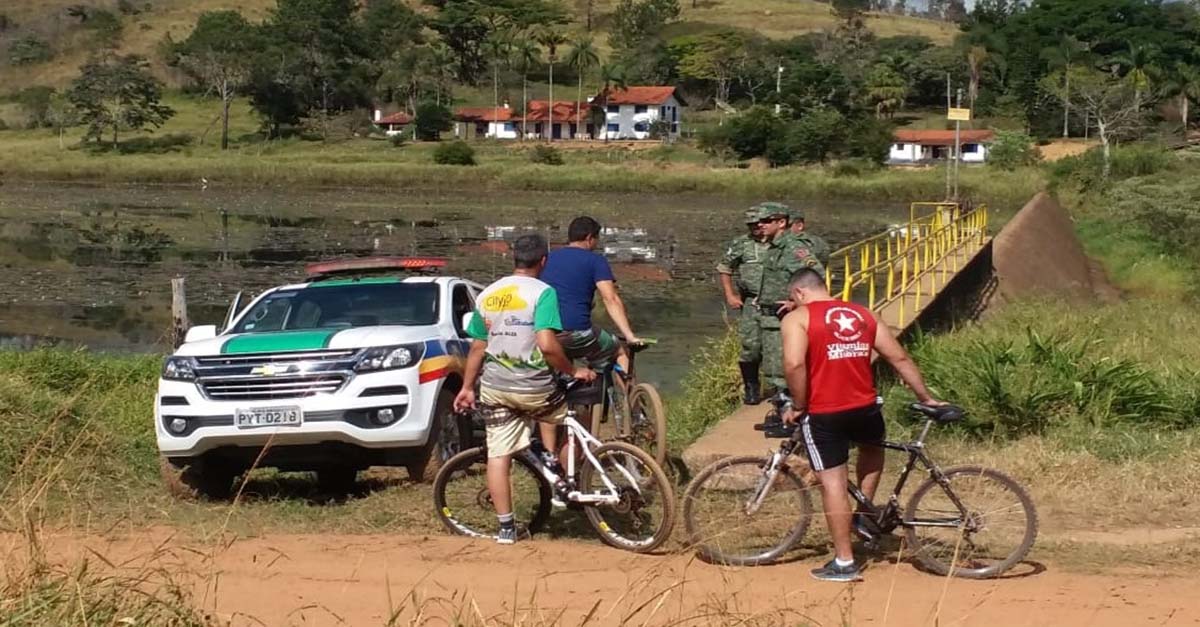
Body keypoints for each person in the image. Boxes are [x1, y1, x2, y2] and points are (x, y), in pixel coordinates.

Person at [780, 268, 944, 582]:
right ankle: (864, 515)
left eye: (793, 299)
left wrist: (799, 406)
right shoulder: (862, 313)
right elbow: (899, 358)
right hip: (866, 407)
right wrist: (926, 397)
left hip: (826, 412)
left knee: (833, 484)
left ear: (799, 293)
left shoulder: (797, 319)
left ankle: (844, 562)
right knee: (871, 450)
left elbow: (794, 363)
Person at [453, 233, 596, 545]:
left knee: (499, 454)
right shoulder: (543, 292)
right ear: (543, 261)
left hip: (496, 388)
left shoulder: (488, 294)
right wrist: (574, 370)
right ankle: (565, 479)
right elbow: (547, 345)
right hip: (535, 388)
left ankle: (506, 528)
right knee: (573, 418)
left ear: (512, 258)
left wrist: (466, 387)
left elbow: (478, 347)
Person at [540, 216, 643, 376]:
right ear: (589, 238)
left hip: (546, 334)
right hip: (577, 332)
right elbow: (610, 299)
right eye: (597, 239)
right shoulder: (595, 261)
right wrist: (630, 335)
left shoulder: (547, 259)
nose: (597, 244)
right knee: (618, 351)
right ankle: (630, 398)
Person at [754, 203, 825, 398]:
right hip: (770, 318)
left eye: (767, 221)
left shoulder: (793, 247)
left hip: (785, 318)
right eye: (760, 221)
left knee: (784, 369)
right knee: (773, 369)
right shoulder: (773, 247)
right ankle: (783, 410)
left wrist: (795, 303)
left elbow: (815, 274)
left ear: (782, 222)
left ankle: (792, 413)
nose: (761, 225)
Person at [716, 205, 784, 405]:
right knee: (751, 347)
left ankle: (780, 390)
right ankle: (751, 387)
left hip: (776, 303)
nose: (757, 227)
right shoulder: (742, 244)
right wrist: (730, 295)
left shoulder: (781, 243)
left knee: (777, 347)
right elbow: (725, 267)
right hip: (751, 303)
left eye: (760, 223)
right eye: (752, 224)